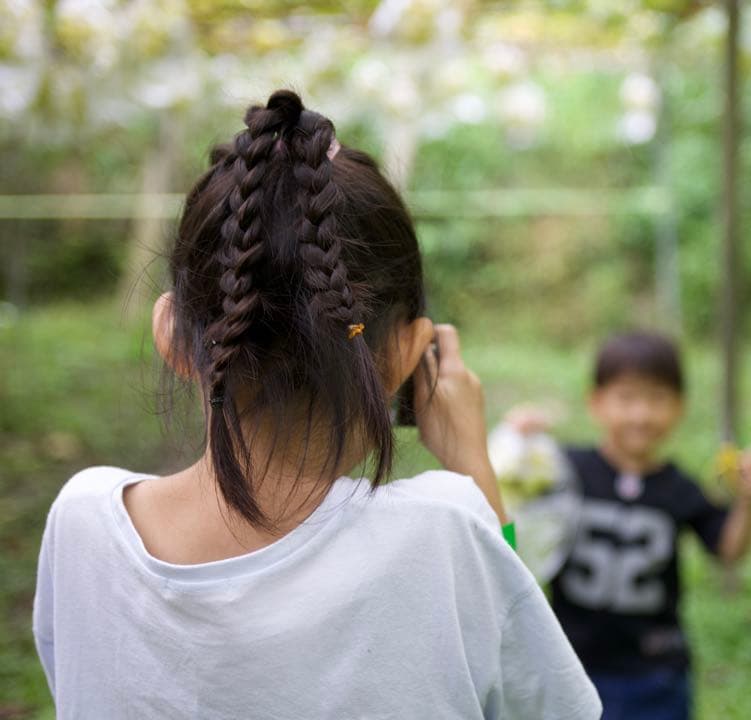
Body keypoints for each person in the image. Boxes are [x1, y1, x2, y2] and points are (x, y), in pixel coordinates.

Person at [32, 90, 600, 719]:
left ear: (173, 336)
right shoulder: (448, 531)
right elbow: (528, 687)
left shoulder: (81, 522)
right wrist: (474, 467)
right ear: (407, 354)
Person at [507, 331, 751, 720]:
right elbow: (508, 504)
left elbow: (729, 550)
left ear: (679, 407)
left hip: (655, 675)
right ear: (596, 402)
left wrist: (748, 500)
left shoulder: (679, 487)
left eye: (657, 399)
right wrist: (520, 438)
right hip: (570, 666)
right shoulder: (565, 469)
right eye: (626, 398)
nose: (641, 415)